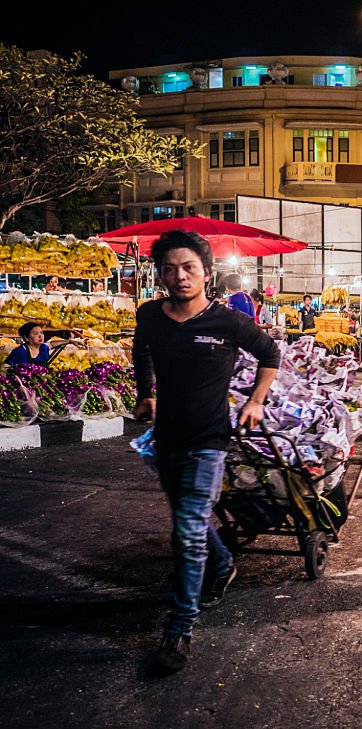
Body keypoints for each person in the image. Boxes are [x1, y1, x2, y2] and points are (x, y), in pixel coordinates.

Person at [133, 229, 280, 674]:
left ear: (205, 272)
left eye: (189, 267)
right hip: (166, 439)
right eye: (171, 269)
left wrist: (255, 400)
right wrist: (146, 393)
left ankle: (179, 630)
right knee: (188, 523)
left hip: (209, 441)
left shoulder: (227, 321)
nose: (180, 276)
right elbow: (142, 350)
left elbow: (270, 353)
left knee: (187, 530)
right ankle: (223, 564)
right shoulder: (150, 316)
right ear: (160, 274)